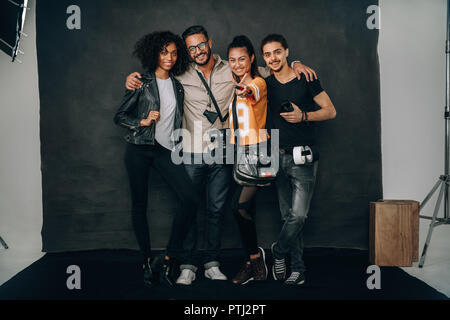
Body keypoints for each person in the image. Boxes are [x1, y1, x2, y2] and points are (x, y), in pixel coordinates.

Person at [125, 25, 317, 286]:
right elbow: (156, 76)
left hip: (224, 150)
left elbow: (269, 72)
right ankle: (189, 265)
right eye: (191, 47)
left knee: (216, 210)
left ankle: (212, 262)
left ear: (210, 43)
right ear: (186, 50)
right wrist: (134, 79)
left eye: (201, 45)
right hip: (191, 150)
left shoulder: (233, 65)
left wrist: (295, 63)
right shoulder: (180, 70)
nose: (197, 51)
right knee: (191, 208)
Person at [113, 31, 198, 287]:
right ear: (154, 53)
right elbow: (120, 116)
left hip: (164, 151)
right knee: (140, 204)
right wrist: (142, 121)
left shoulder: (178, 85)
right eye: (164, 52)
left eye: (173, 53)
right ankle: (147, 260)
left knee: (190, 200)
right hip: (139, 148)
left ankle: (169, 256)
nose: (169, 58)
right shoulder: (141, 81)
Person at [261, 34, 336, 285]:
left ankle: (278, 251)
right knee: (287, 216)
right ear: (264, 58)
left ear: (287, 52)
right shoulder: (264, 83)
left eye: (278, 52)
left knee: (299, 215)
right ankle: (298, 269)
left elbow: (330, 110)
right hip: (276, 156)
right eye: (268, 54)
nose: (273, 58)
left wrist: (303, 116)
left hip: (302, 157)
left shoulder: (305, 78)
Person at [226, 35, 270, 285]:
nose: (237, 64)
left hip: (257, 152)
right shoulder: (236, 80)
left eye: (242, 58)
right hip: (238, 152)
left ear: (252, 58)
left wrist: (245, 89)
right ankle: (251, 261)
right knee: (247, 210)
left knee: (238, 207)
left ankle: (255, 257)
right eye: (232, 60)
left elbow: (253, 91)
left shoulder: (257, 82)